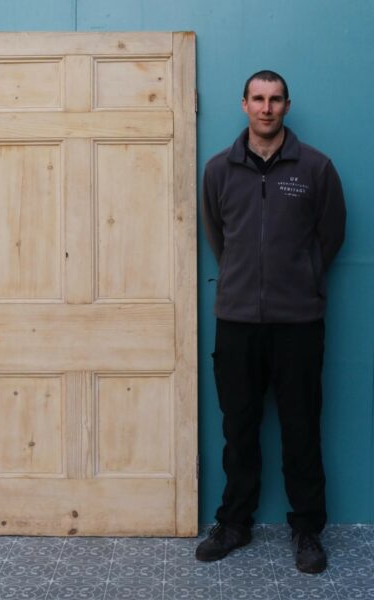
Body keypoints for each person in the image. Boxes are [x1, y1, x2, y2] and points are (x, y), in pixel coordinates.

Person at [196, 70, 346, 573]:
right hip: (237, 321)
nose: (266, 107)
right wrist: (246, 280)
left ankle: (307, 529)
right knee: (239, 427)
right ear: (243, 105)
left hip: (298, 322)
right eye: (257, 99)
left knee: (301, 428)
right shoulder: (218, 170)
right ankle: (234, 522)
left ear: (287, 105)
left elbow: (330, 237)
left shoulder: (316, 168)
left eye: (275, 99)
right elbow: (219, 237)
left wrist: (298, 279)